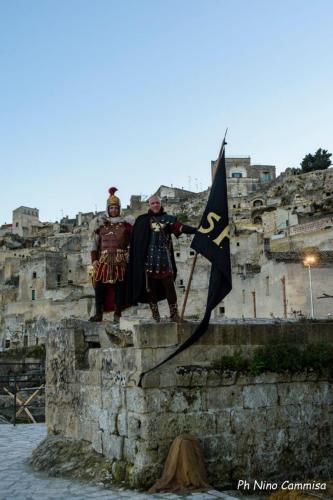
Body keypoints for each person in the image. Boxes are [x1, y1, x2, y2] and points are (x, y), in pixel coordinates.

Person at [127, 195, 196, 322]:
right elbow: (136, 241)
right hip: (148, 259)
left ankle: (174, 314)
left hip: (164, 259)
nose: (155, 205)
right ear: (149, 205)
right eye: (152, 203)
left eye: (157, 203)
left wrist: (196, 230)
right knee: (150, 288)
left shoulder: (168, 219)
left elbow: (181, 228)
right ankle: (155, 315)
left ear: (160, 203)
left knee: (169, 286)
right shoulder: (142, 220)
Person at [89, 187, 133, 323]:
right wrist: (94, 260)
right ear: (108, 209)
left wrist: (129, 254)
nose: (114, 210)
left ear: (119, 209)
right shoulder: (101, 226)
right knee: (99, 287)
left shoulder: (126, 225)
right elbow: (94, 244)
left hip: (120, 260)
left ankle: (118, 314)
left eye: (116, 208)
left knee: (120, 288)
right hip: (104, 260)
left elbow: (133, 242)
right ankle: (98, 313)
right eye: (111, 208)